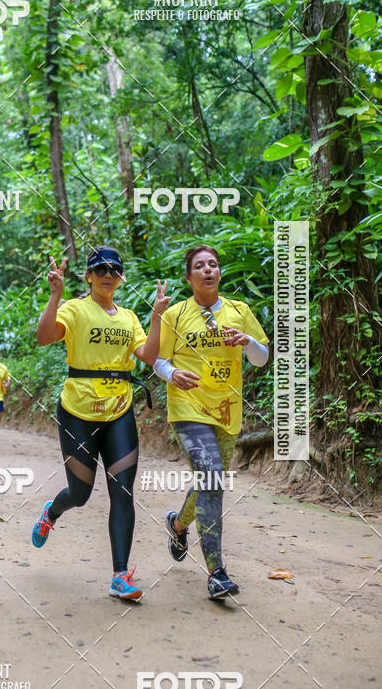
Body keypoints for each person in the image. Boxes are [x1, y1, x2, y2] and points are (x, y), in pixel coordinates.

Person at [32, 246, 170, 601]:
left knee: (122, 491)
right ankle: (52, 511)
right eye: (101, 269)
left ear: (120, 277)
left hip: (119, 410)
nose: (108, 274)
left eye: (115, 269)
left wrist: (156, 317)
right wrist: (55, 296)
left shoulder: (128, 318)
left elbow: (149, 357)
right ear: (89, 276)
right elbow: (45, 337)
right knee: (79, 494)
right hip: (77, 411)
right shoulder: (76, 308)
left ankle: (120, 575)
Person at [154, 245, 269, 600]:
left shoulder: (240, 311)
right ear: (189, 277)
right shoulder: (175, 314)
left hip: (227, 412)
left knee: (210, 481)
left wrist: (248, 340)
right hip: (188, 409)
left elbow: (261, 359)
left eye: (213, 265)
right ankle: (217, 572)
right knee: (212, 476)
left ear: (219, 273)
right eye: (200, 266)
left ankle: (178, 523)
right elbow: (158, 360)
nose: (208, 270)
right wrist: (173, 374)